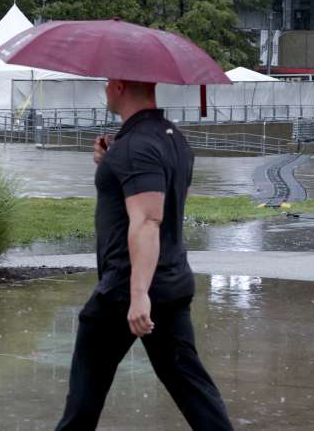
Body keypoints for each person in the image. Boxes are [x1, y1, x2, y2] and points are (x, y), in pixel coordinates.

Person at [55, 79, 233, 431]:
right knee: (194, 391)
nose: (105, 90)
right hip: (170, 282)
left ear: (120, 87)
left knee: (83, 401)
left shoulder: (136, 146)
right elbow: (157, 193)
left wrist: (138, 297)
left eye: (108, 83)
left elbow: (149, 220)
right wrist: (109, 163)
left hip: (127, 289)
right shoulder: (171, 138)